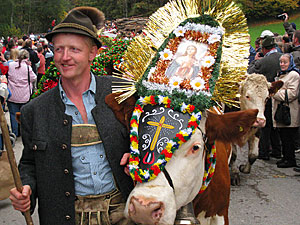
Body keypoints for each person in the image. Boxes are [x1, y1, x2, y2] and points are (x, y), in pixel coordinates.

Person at [9, 7, 134, 225]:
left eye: (74, 49)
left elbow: (149, 141)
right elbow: (29, 163)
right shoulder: (34, 111)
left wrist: (138, 156)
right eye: (59, 50)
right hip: (66, 216)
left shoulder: (122, 93)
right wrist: (26, 188)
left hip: (124, 213)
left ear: (92, 52)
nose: (65, 57)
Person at [248, 36, 282, 160]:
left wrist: (254, 61)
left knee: (265, 124)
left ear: (264, 49)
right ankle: (277, 150)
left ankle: (264, 152)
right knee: (276, 123)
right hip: (279, 94)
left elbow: (250, 73)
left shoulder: (263, 61)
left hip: (265, 96)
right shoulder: (282, 56)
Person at [272, 54, 300, 168]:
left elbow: (292, 94)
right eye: (281, 62)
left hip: (290, 111)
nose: (282, 64)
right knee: (283, 136)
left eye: (285, 62)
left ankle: (290, 159)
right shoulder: (282, 74)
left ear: (290, 63)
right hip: (282, 110)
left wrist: (274, 92)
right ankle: (286, 157)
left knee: (288, 137)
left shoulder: (294, 75)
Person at [7, 49, 36, 137]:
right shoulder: (27, 68)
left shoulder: (11, 65)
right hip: (24, 95)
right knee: (24, 115)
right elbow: (33, 78)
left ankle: (15, 133)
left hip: (12, 94)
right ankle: (24, 132)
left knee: (13, 114)